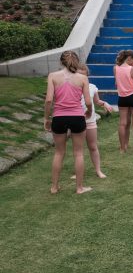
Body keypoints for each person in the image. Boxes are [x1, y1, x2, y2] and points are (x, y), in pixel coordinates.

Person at [44, 51, 93, 194]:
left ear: (61, 62)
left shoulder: (53, 76)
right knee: (78, 153)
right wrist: (89, 112)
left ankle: (54, 187)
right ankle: (79, 188)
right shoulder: (82, 78)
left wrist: (47, 118)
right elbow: (88, 101)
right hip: (77, 117)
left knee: (59, 153)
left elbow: (48, 100)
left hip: (59, 118)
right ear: (76, 62)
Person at [77, 64, 113, 179]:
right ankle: (77, 171)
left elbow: (97, 101)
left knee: (93, 147)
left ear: (87, 75)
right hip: (77, 121)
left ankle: (98, 170)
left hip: (90, 121)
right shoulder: (72, 87)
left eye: (84, 75)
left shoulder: (92, 87)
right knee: (78, 150)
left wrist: (105, 103)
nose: (81, 77)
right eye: (78, 75)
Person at [114, 50, 133, 154]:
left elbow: (116, 83)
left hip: (122, 98)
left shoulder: (115, 68)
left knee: (122, 124)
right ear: (129, 58)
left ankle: (122, 148)